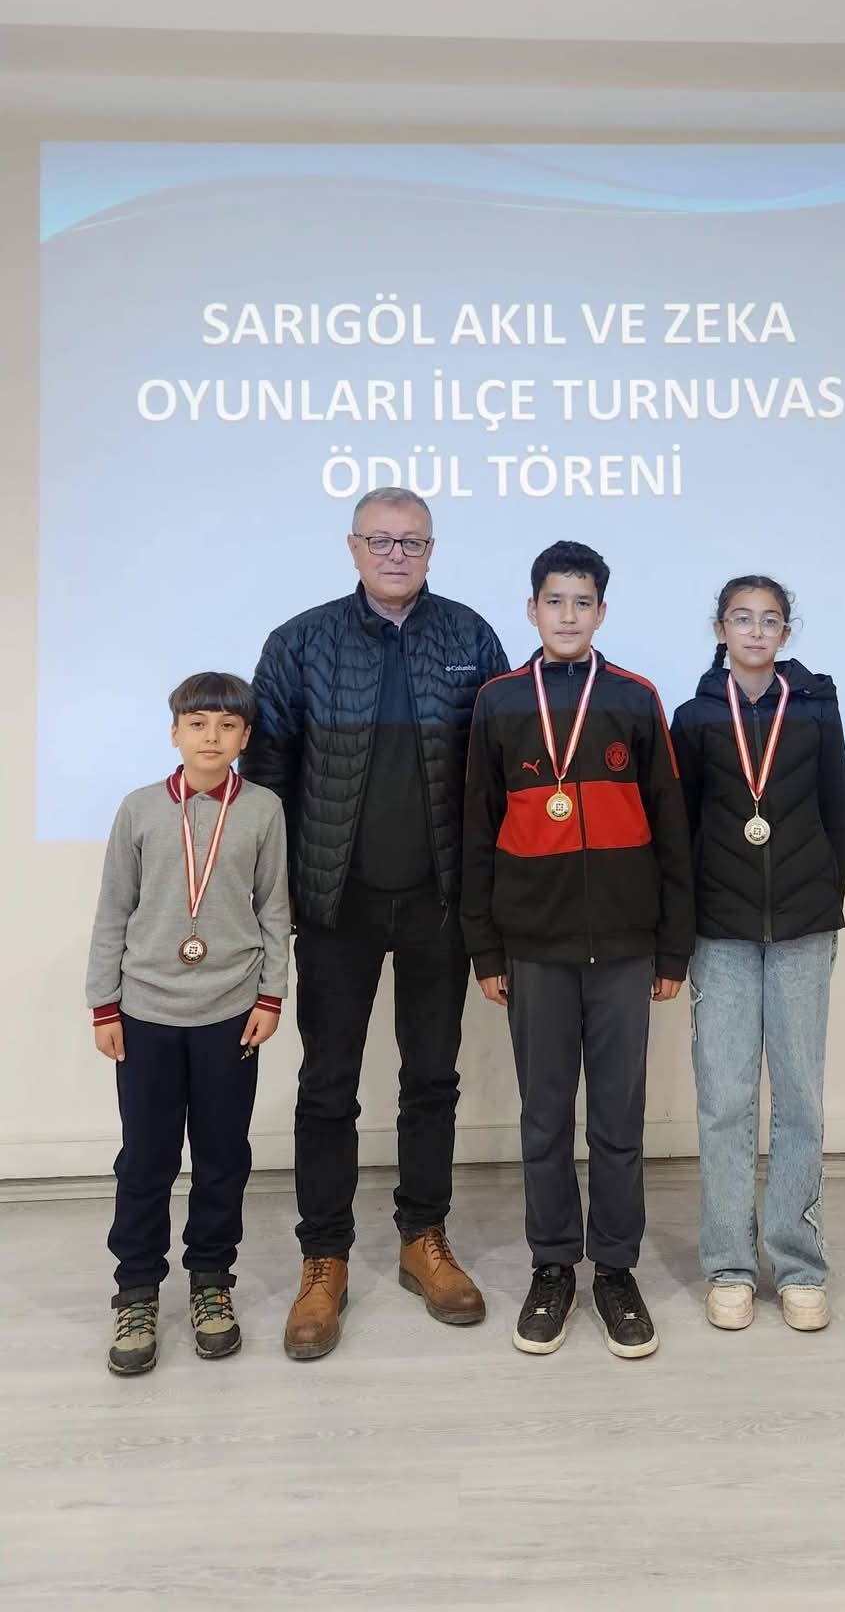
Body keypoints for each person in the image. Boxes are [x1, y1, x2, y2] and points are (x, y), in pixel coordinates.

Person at [241, 487, 508, 1359]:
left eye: (413, 542)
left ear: (432, 549)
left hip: (438, 901)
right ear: (352, 547)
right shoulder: (299, 642)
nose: (397, 555)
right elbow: (268, 778)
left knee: (431, 1078)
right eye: (381, 541)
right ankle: (324, 1259)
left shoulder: (470, 637)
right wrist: (277, 896)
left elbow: (498, 774)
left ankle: (423, 1238)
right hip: (335, 904)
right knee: (327, 1085)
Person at [461, 539, 694, 1361]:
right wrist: (486, 949)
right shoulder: (497, 701)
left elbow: (671, 827)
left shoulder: (634, 697)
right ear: (531, 610)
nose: (567, 615)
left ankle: (616, 1270)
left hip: (626, 947)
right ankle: (553, 1266)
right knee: (544, 1118)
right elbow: (476, 831)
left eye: (582, 602)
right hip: (533, 946)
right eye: (553, 601)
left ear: (601, 612)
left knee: (619, 1121)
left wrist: (671, 949)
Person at [85, 672, 290, 1377]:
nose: (212, 736)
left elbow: (274, 909)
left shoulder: (262, 809)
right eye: (198, 723)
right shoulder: (140, 809)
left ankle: (210, 1282)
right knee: (145, 1157)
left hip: (230, 1012)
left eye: (227, 726)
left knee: (223, 1154)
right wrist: (103, 1004)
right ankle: (137, 1290)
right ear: (174, 732)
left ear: (245, 737)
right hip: (145, 1012)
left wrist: (270, 996)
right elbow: (113, 909)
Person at [671, 576, 845, 1334]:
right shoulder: (693, 717)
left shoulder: (813, 710)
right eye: (741, 619)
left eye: (769, 619)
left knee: (800, 1099)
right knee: (725, 1100)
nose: (754, 630)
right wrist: (685, 925)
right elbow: (680, 830)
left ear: (785, 631)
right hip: (719, 932)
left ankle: (800, 1264)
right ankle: (729, 1266)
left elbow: (836, 814)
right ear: (720, 628)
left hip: (804, 929)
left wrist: (822, 900)